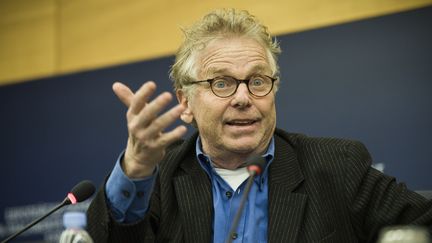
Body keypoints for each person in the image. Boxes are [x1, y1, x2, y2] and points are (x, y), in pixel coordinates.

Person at [87, 8, 432, 242]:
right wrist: (134, 170)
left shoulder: (337, 165)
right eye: (221, 83)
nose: (243, 98)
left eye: (257, 81)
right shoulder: (158, 179)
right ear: (185, 102)